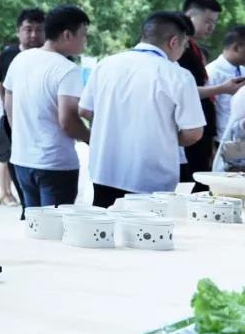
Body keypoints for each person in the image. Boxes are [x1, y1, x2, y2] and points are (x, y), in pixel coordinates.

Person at [81, 11, 205, 208]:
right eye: (184, 45)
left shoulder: (105, 65)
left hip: (105, 170)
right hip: (151, 177)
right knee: (146, 235)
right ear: (174, 42)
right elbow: (194, 133)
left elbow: (85, 111)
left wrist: (112, 129)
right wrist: (164, 138)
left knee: (104, 232)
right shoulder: (178, 76)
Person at [2, 5, 89, 209]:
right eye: (83, 35)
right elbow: (68, 121)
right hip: (55, 164)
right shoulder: (67, 70)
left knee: (34, 229)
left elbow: (8, 100)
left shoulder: (20, 59)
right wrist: (91, 138)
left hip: (22, 160)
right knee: (54, 233)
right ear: (67, 35)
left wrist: (22, 135)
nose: (85, 41)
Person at [178, 0, 245, 191]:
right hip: (195, 134)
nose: (211, 27)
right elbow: (182, 92)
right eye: (208, 21)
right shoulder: (181, 52)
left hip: (206, 136)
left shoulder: (194, 49)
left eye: (214, 22)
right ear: (190, 16)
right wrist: (222, 89)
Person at [0, 8, 46, 211]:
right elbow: (1, 87)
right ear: (18, 31)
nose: (33, 35)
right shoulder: (9, 55)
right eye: (28, 29)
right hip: (12, 126)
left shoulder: (53, 57)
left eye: (39, 29)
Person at [205, 25, 245, 147]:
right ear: (236, 47)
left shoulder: (243, 70)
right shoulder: (211, 72)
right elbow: (207, 111)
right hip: (222, 139)